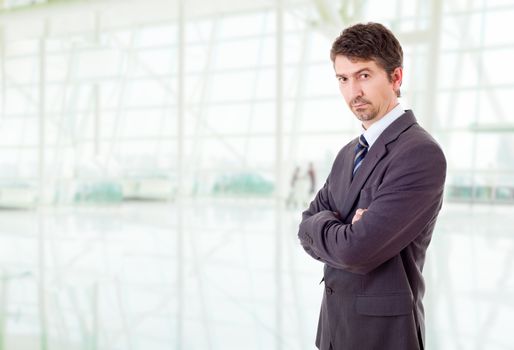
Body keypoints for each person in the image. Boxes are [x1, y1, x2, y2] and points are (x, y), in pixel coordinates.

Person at [297, 22, 446, 350]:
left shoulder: (419, 153)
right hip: (333, 333)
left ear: (396, 78)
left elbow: (356, 252)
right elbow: (304, 225)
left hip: (383, 338)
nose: (353, 92)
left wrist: (326, 224)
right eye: (343, 79)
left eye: (364, 75)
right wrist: (335, 225)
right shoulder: (347, 154)